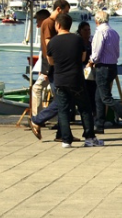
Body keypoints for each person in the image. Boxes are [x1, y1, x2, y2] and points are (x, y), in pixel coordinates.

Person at [44, 13, 102, 148]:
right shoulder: (77, 40)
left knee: (63, 110)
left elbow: (50, 61)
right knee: (85, 108)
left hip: (59, 79)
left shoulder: (52, 41)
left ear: (58, 25)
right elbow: (83, 58)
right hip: (76, 79)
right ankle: (89, 137)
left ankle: (65, 140)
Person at [87, 11, 122, 134]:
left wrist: (91, 61)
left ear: (97, 20)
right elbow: (117, 52)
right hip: (113, 66)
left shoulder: (99, 32)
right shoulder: (114, 32)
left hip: (102, 67)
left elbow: (96, 53)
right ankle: (99, 124)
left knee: (106, 97)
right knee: (99, 96)